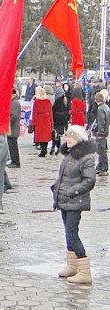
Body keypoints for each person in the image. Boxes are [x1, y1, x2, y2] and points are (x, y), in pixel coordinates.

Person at [51, 125, 96, 284]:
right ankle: (72, 265)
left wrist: (72, 191)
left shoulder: (86, 157)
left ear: (79, 139)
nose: (68, 139)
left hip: (75, 201)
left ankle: (84, 270)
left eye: (72, 136)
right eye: (67, 136)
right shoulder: (69, 155)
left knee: (72, 233)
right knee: (67, 233)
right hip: (64, 200)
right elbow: (64, 176)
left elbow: (89, 181)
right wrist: (56, 187)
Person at [91, 92, 110, 176]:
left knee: (102, 152)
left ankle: (104, 168)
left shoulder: (100, 109)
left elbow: (101, 121)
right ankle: (100, 166)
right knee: (101, 150)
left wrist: (100, 132)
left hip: (101, 133)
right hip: (105, 131)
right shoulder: (106, 107)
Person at [31, 86, 53, 157]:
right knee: (45, 136)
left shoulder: (36, 102)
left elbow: (34, 113)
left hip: (39, 119)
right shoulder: (48, 101)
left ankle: (42, 150)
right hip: (46, 119)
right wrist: (51, 121)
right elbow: (50, 112)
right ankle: (45, 149)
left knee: (40, 135)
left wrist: (33, 122)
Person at [7, 90, 22, 168]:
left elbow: (14, 116)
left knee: (13, 146)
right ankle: (14, 161)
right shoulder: (13, 102)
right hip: (12, 128)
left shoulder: (14, 103)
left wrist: (7, 123)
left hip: (13, 128)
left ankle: (15, 162)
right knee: (11, 146)